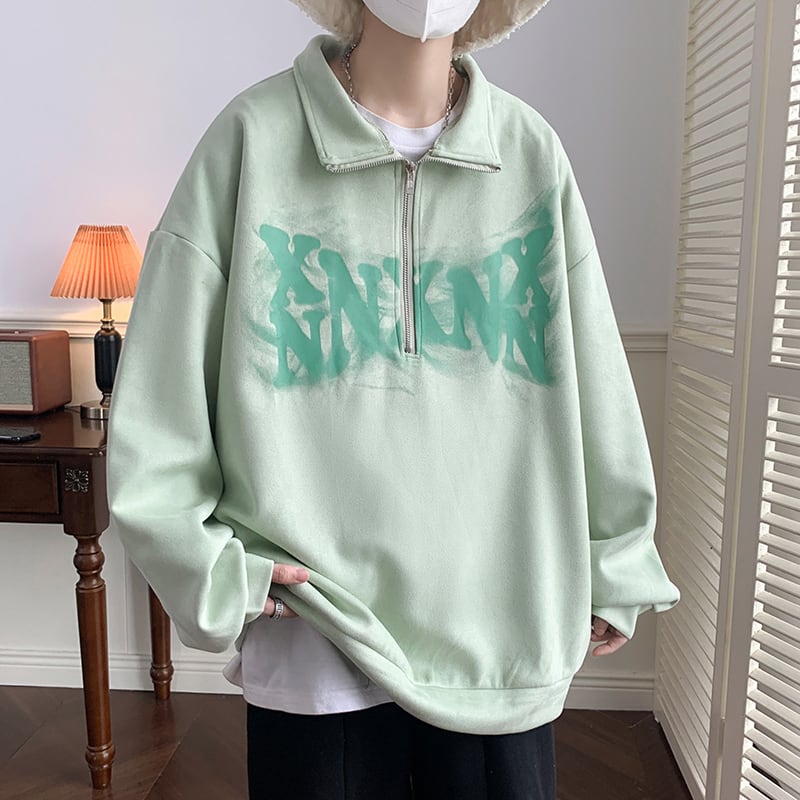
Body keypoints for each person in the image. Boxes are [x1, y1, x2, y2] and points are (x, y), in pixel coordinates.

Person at [106, 1, 681, 797]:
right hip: (318, 632)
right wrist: (212, 568)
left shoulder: (529, 152)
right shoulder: (252, 139)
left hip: (498, 627)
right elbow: (161, 400)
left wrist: (616, 556)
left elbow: (596, 372)